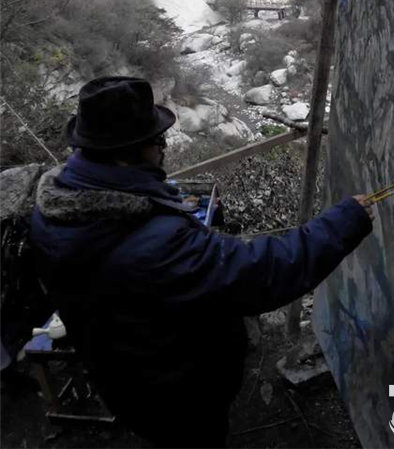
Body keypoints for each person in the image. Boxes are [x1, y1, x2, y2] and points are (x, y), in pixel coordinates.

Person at [31, 76, 374, 448]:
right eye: (157, 141)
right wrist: (342, 223)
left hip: (120, 374)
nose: (164, 148)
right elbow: (262, 273)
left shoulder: (55, 206)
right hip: (176, 393)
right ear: (124, 154)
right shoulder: (153, 244)